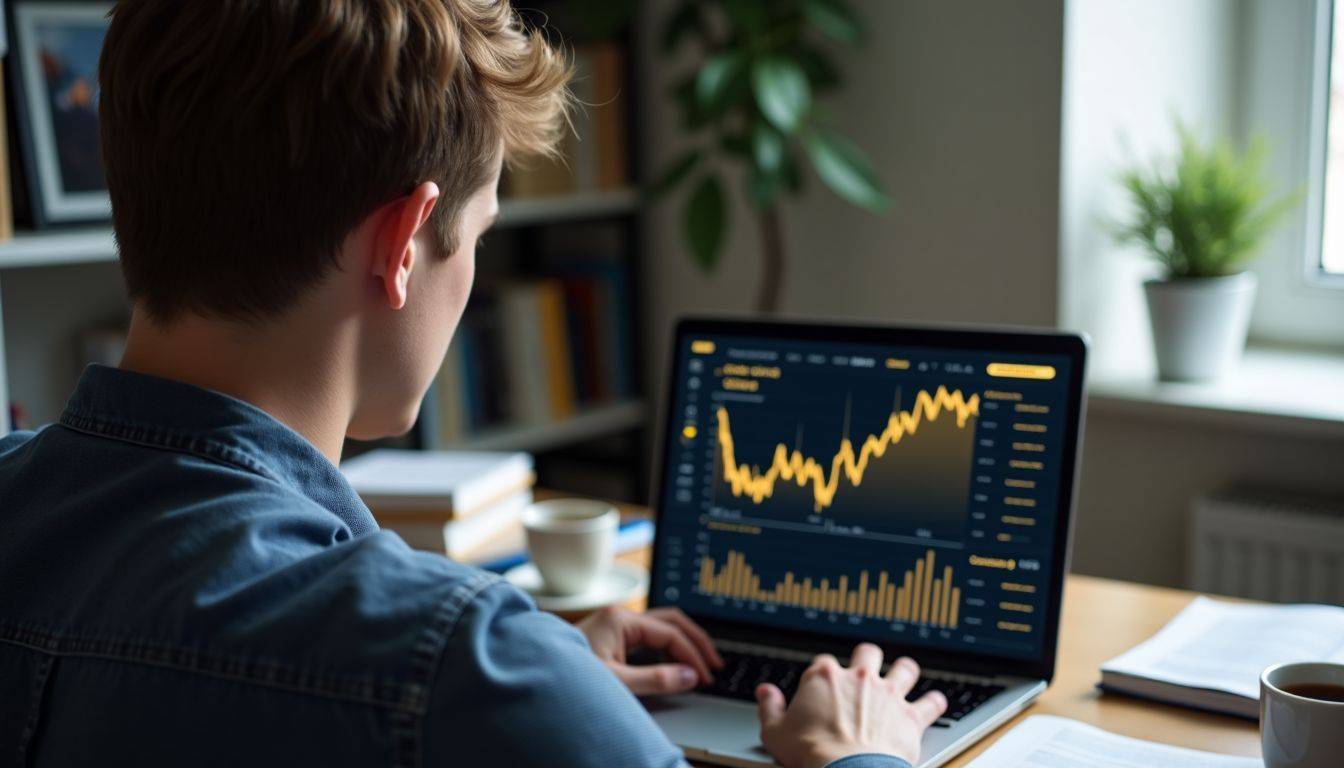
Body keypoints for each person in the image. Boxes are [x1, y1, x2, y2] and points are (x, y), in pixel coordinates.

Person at [0, 1, 946, 766]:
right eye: (481, 233)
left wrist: (549, 699)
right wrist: (853, 754)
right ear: (404, 242)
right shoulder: (461, 669)